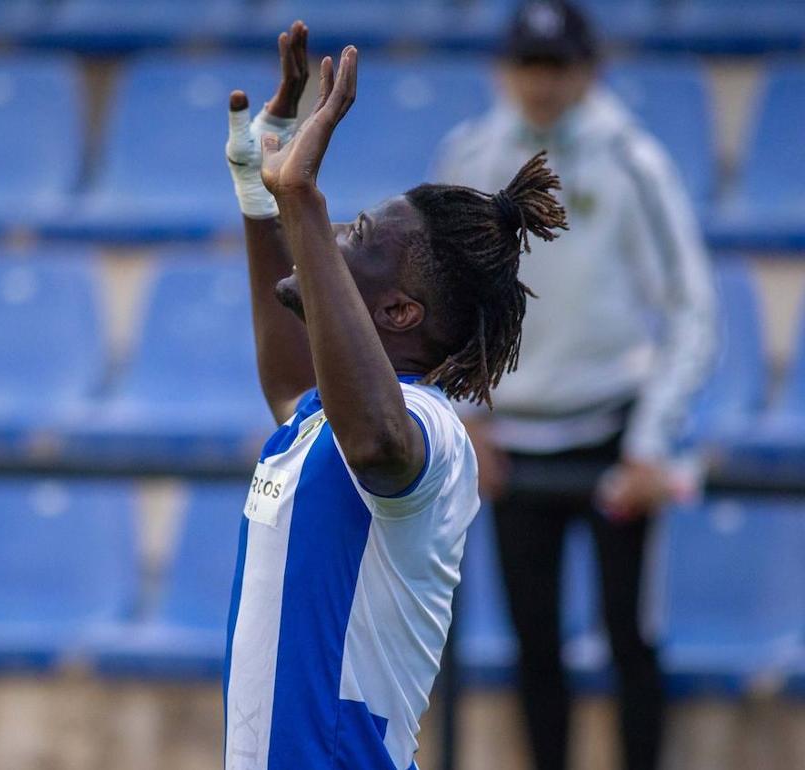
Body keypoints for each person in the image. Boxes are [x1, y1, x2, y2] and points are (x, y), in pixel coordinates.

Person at [222, 22, 568, 770]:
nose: (336, 230)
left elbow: (378, 443)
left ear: (400, 313)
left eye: (361, 233)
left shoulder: (429, 432)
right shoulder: (323, 420)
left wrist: (305, 202)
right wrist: (261, 189)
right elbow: (291, 383)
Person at [432, 2, 717, 769]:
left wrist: (652, 441)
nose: (543, 83)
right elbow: (443, 301)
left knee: (631, 637)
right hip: (513, 442)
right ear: (505, 68)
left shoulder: (634, 160)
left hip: (613, 438)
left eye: (557, 66)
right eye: (529, 64)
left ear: (588, 69)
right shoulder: (470, 155)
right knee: (534, 643)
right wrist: (466, 421)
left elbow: (692, 306)